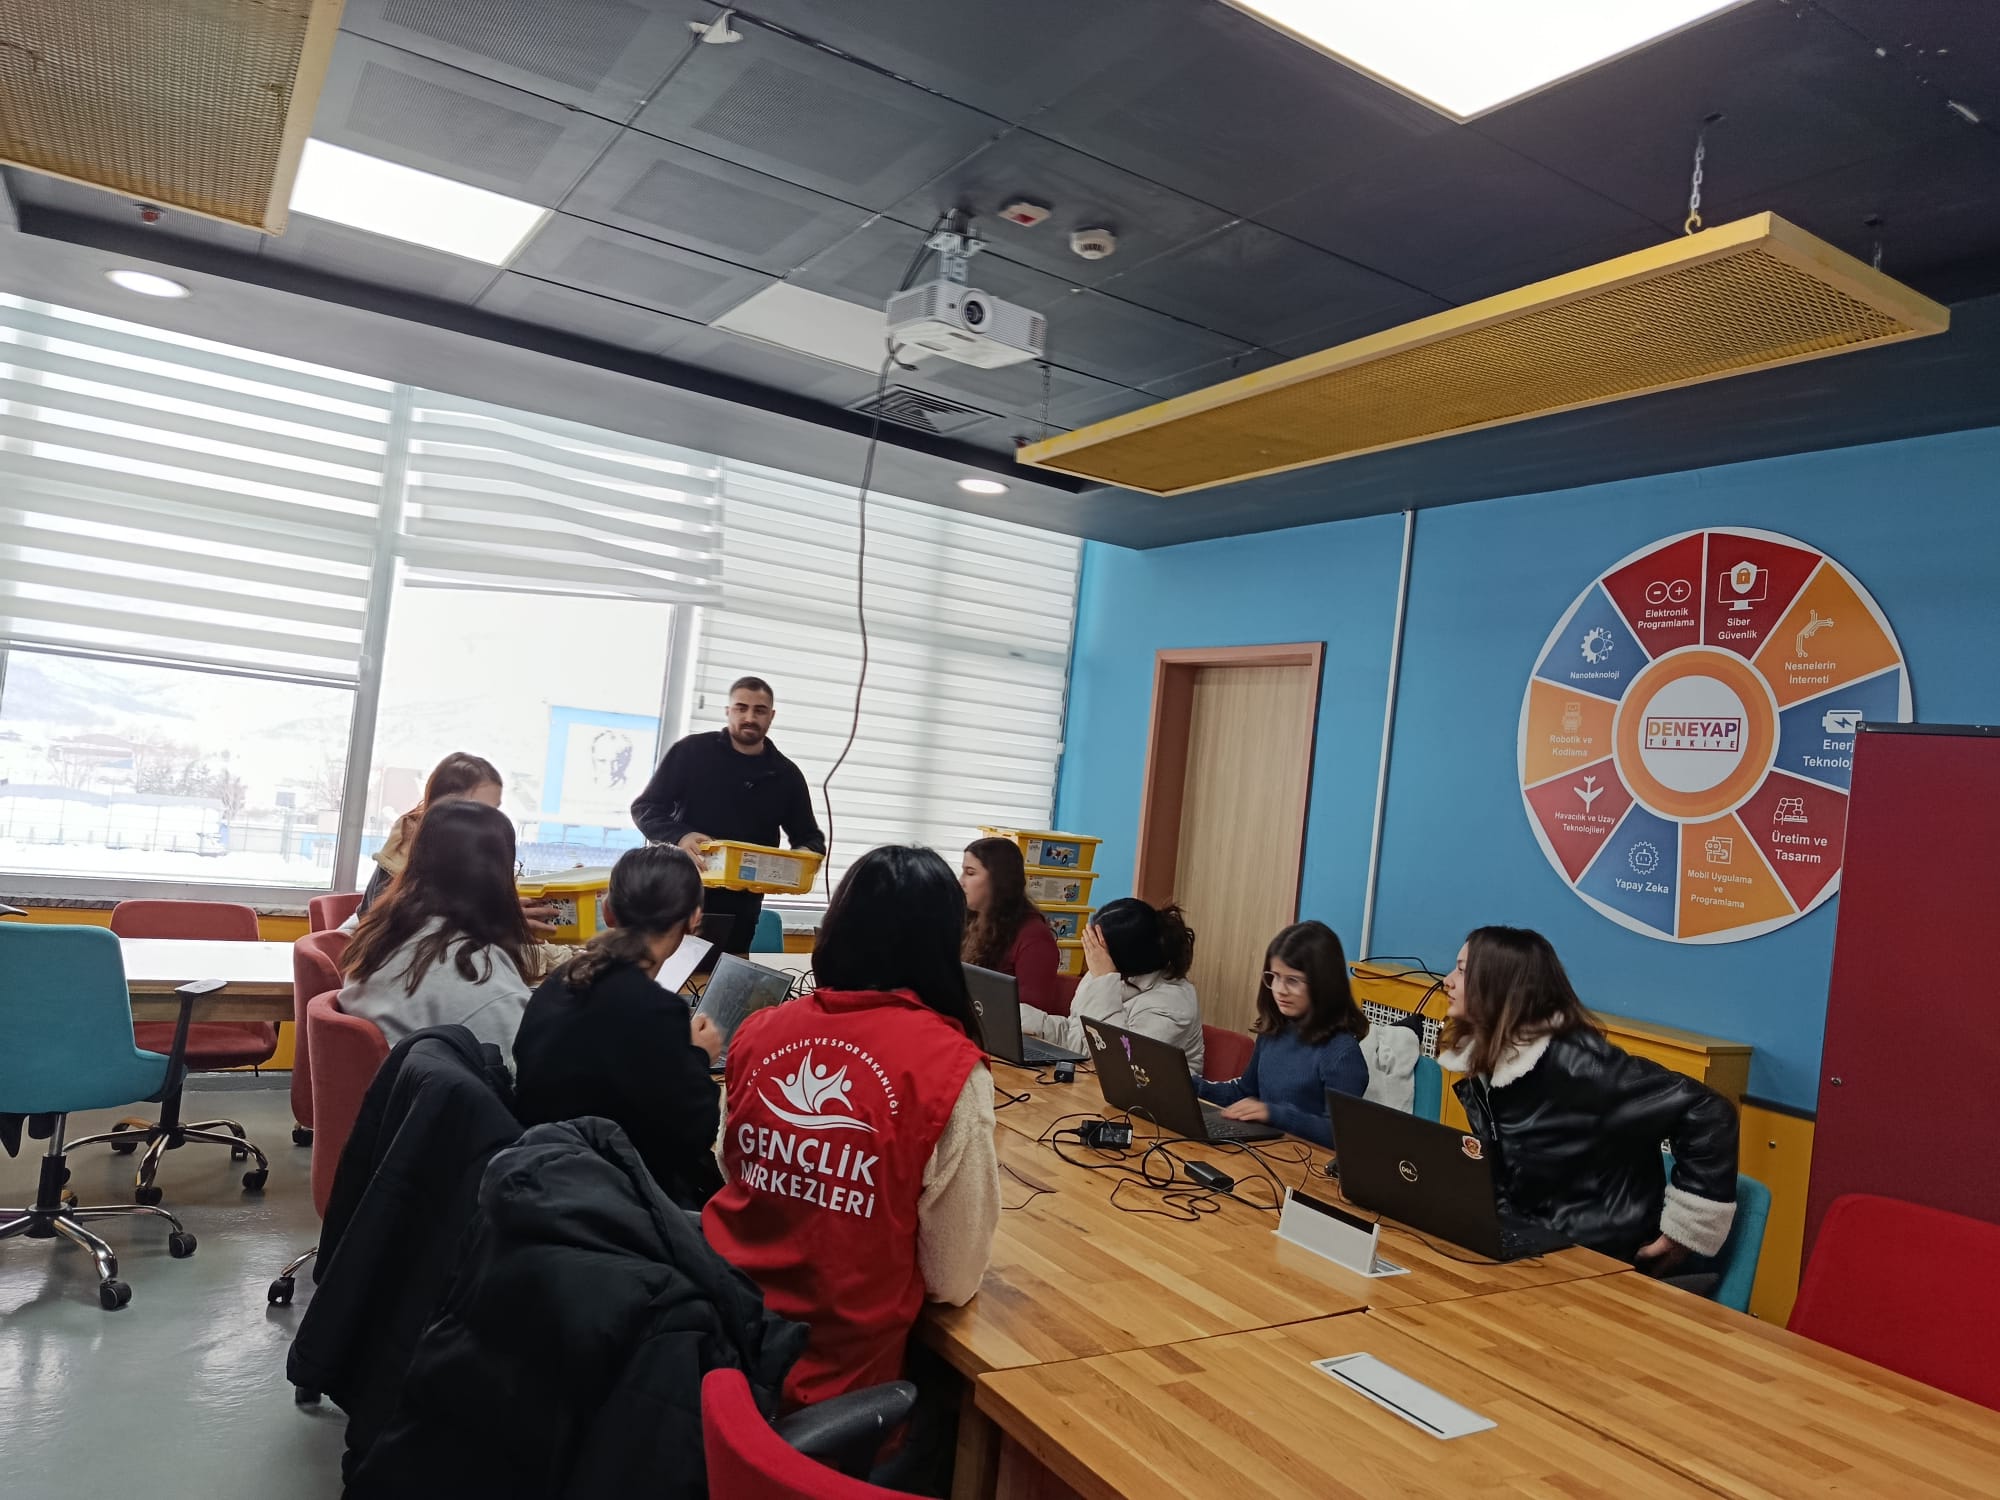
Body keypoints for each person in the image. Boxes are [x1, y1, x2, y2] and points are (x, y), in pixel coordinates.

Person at [702, 844, 999, 1414]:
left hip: (715, 1347)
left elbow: (729, 1165)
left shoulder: (760, 1030)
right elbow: (953, 1279)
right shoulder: (948, 1066)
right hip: (835, 1393)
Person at [1440, 925, 1740, 1272]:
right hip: (1533, 1245)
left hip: (1595, 1260)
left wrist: (1684, 1232)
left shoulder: (1581, 1066)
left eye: (1462, 971)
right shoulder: (1492, 1062)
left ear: (1500, 983)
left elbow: (1709, 1110)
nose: (1448, 981)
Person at [512, 843, 727, 1210]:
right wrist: (696, 1056)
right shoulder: (655, 1010)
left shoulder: (562, 980)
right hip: (610, 1200)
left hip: (535, 1176)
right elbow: (694, 1133)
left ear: (607, 910)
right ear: (694, 919)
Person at [631, 676, 825, 954]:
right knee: (666, 971)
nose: (750, 718)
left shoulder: (786, 774)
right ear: (728, 711)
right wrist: (681, 836)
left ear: (771, 716)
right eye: (741, 708)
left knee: (726, 975)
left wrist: (804, 856)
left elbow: (810, 837)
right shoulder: (691, 752)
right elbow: (645, 808)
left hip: (741, 908)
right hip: (679, 893)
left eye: (759, 710)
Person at [340, 799, 535, 1056]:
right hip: (428, 1078)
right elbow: (523, 1066)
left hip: (394, 1075)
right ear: (496, 878)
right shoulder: (477, 977)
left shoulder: (385, 934)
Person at [1196, 921, 1369, 1147]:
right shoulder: (1274, 1030)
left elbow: (1340, 1135)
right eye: (1275, 976)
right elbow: (1244, 1092)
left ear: (1323, 984)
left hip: (1307, 1162)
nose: (1279, 989)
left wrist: (1273, 1114)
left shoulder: (1342, 1053)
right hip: (1267, 1150)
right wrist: (1191, 1085)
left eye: (1292, 981)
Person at [1021, 897, 1203, 1075]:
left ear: (1122, 958)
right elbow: (1077, 1036)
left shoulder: (1173, 1005)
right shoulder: (1105, 973)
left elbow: (1121, 1060)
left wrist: (1104, 980)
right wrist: (1025, 1019)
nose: (1091, 955)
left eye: (1096, 947)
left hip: (1147, 1089)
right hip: (1095, 1078)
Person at [355, 752, 503, 919]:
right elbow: (388, 920)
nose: (492, 820)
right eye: (480, 809)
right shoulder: (407, 846)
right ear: (444, 806)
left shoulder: (473, 850)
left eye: (495, 810)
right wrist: (496, 918)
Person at [960, 837, 1061, 1015]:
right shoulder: (969, 920)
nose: (961, 881)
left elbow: (1029, 1017)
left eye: (970, 873)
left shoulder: (1034, 937)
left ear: (998, 879)